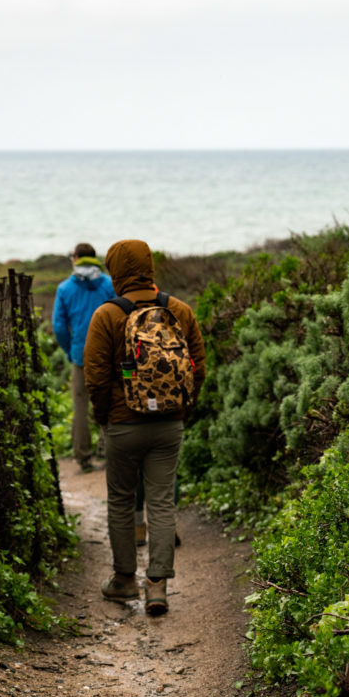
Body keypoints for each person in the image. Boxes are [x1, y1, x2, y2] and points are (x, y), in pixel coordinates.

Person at [83, 239, 205, 614]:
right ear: (150, 266)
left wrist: (104, 417)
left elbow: (96, 377)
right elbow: (198, 365)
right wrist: (182, 408)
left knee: (121, 500)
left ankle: (123, 581)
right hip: (169, 424)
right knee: (162, 501)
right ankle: (157, 586)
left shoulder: (107, 315)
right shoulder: (179, 310)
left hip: (123, 423)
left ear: (116, 270)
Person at [52, 243, 115, 472]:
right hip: (108, 353)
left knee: (80, 406)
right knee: (110, 401)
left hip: (80, 354)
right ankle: (109, 451)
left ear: (76, 258)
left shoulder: (65, 288)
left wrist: (70, 351)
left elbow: (59, 326)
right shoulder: (109, 285)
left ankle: (83, 457)